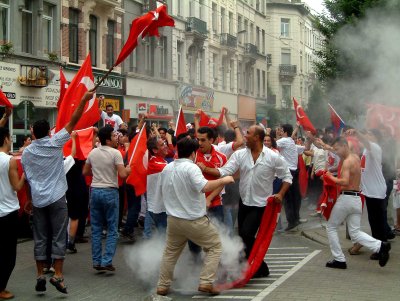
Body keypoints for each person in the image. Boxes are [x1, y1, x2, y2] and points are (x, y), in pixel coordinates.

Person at [22, 91, 95, 294]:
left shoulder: (26, 152)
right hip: (57, 198)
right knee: (58, 236)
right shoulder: (55, 143)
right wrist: (83, 100)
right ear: (49, 133)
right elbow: (74, 120)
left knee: (41, 237)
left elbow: (27, 178)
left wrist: (28, 199)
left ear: (34, 133)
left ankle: (39, 274)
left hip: (38, 200)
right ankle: (58, 275)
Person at [200, 125, 292, 278]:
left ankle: (252, 268)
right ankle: (258, 268)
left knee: (246, 235)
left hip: (261, 205)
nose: (244, 136)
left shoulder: (273, 156)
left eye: (248, 133)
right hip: (244, 202)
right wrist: (205, 169)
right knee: (243, 237)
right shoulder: (240, 155)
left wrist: (280, 194)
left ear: (256, 137)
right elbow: (224, 171)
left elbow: (287, 177)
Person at [156, 137, 234, 296]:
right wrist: (223, 180)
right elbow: (204, 186)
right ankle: (206, 282)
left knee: (170, 253)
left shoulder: (168, 168)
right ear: (193, 153)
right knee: (215, 246)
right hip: (193, 220)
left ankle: (162, 286)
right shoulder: (191, 168)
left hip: (173, 220)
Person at [324, 137, 391, 269]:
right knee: (355, 232)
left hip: (347, 198)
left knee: (331, 227)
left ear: (344, 146)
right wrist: (326, 146)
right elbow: (342, 147)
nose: (336, 152)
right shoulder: (355, 157)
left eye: (337, 149)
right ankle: (380, 246)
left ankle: (339, 259)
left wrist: (329, 177)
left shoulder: (347, 162)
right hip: (356, 199)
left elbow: (344, 181)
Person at [83, 126, 131, 271]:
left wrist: (98, 171)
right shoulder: (115, 153)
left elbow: (85, 171)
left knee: (96, 229)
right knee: (112, 229)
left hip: (95, 190)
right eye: (114, 135)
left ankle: (97, 261)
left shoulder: (93, 152)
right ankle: (107, 260)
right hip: (110, 191)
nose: (117, 137)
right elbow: (122, 175)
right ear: (108, 140)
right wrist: (128, 170)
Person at [0, 127, 25, 300]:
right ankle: (1, 288)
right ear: (6, 139)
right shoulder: (9, 161)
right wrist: (26, 175)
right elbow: (17, 186)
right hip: (7, 212)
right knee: (8, 254)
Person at [276, 124, 304, 231]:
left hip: (288, 172)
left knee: (288, 198)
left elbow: (273, 144)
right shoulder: (291, 141)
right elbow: (290, 138)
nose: (280, 132)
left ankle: (291, 221)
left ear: (285, 132)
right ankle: (295, 219)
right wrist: (296, 128)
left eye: (281, 131)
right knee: (295, 196)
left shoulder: (285, 141)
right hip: (294, 171)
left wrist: (272, 134)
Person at [145, 136, 169, 235]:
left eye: (165, 143)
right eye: (162, 144)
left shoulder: (162, 161)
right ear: (155, 150)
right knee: (164, 238)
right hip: (159, 208)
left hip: (161, 206)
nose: (166, 145)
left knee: (165, 237)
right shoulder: (155, 164)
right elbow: (173, 169)